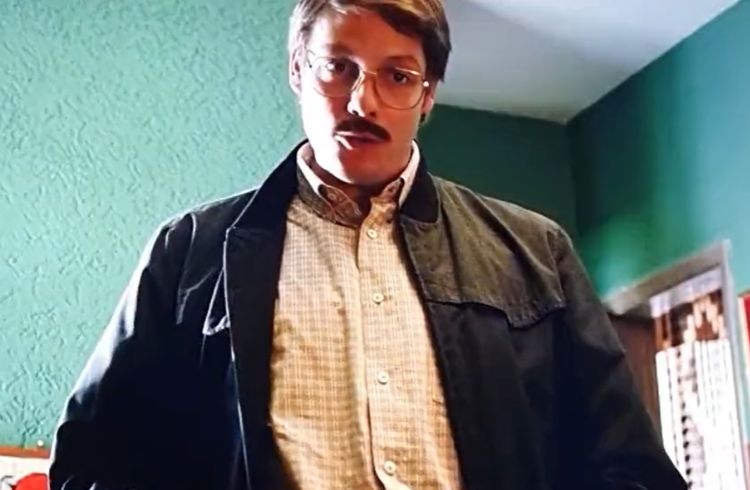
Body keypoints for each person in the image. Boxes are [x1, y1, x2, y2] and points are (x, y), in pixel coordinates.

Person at [50, 1, 687, 489]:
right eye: (338, 67)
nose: (363, 100)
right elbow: (91, 462)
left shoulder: (536, 251)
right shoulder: (188, 251)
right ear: (297, 70)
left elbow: (629, 466)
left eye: (398, 76)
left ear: (427, 96)